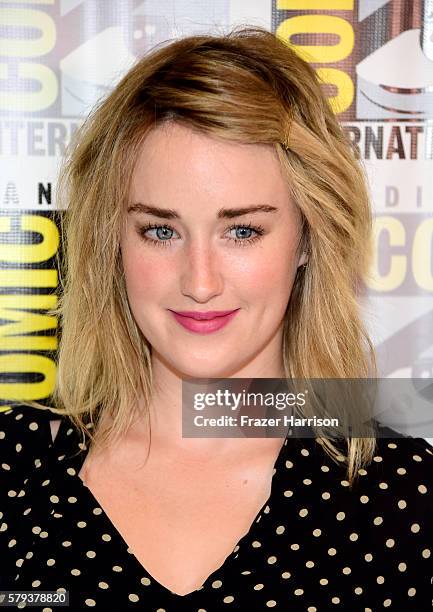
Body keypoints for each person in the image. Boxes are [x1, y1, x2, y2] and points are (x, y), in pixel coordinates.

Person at [1, 26, 432, 612]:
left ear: (308, 237)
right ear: (112, 241)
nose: (199, 282)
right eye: (160, 230)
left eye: (242, 231)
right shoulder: (11, 467)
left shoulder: (408, 500)